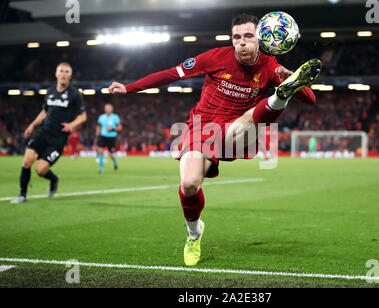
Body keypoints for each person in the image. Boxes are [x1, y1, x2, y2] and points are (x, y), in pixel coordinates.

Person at [108, 13, 321, 266]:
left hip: (240, 128)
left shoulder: (270, 66)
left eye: (248, 36)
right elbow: (171, 74)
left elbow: (311, 99)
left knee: (253, 117)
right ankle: (194, 234)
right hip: (202, 128)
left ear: (261, 39)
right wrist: (130, 87)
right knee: (189, 184)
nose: (241, 42)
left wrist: (289, 80)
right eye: (236, 37)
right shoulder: (215, 57)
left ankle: (280, 97)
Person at [11, 62, 87, 203]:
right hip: (43, 132)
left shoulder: (75, 95)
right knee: (27, 161)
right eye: (61, 71)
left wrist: (71, 125)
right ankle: (22, 195)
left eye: (67, 72)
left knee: (40, 170)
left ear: (70, 75)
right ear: (56, 74)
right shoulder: (50, 91)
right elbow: (45, 111)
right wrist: (32, 125)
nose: (64, 74)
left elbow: (83, 116)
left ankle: (54, 179)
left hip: (58, 138)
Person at [96, 103, 121, 173]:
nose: (107, 109)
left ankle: (115, 162)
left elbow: (119, 127)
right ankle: (101, 168)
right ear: (104, 109)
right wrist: (97, 134)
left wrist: (112, 129)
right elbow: (99, 126)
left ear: (112, 109)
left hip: (112, 137)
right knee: (100, 151)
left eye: (109, 108)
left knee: (110, 154)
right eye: (106, 108)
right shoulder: (101, 117)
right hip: (103, 136)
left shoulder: (115, 117)